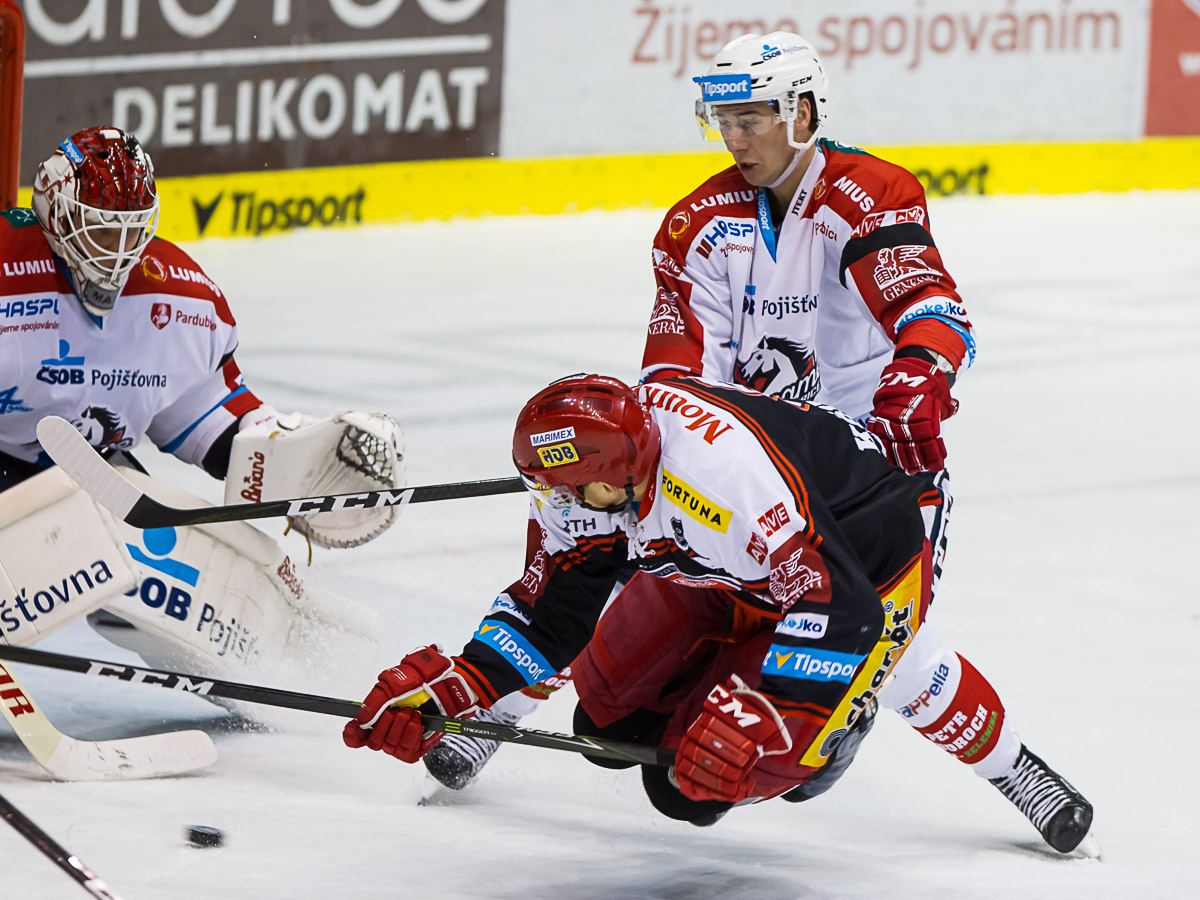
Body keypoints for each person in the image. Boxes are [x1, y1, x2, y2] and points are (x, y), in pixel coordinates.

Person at [427, 30, 974, 791]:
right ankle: (502, 706)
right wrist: (643, 460)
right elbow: (674, 381)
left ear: (803, 113)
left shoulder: (871, 194)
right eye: (724, 121)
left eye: (751, 118)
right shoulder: (698, 223)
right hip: (746, 465)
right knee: (606, 548)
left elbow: (929, 305)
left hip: (866, 476)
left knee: (888, 642)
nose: (734, 138)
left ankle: (985, 764)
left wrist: (922, 369)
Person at [345, 374, 1095, 854]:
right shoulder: (602, 476)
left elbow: (842, 609)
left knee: (695, 785)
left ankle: (973, 761)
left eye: (567, 490)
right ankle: (781, 701)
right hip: (737, 567)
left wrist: (770, 710)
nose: (555, 504)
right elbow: (552, 612)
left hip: (865, 568)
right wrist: (459, 686)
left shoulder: (723, 480)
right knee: (606, 729)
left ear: (616, 477)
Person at [0, 126, 401, 695]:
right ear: (56, 215)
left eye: (131, 231)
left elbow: (210, 419)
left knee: (165, 565)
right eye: (101, 230)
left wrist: (290, 465)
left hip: (96, 477)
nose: (117, 252)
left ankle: (281, 675)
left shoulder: (180, 297)